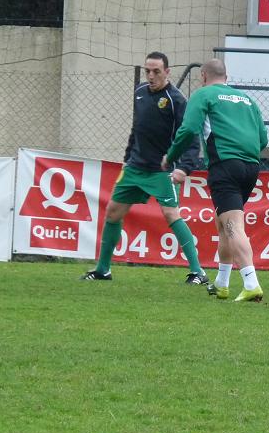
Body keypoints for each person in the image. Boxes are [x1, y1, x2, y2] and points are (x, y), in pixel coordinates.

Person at [82, 52, 208, 285]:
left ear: (167, 72)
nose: (151, 76)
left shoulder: (176, 100)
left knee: (171, 214)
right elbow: (137, 128)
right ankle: (103, 269)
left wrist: (184, 168)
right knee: (113, 212)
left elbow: (191, 137)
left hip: (162, 170)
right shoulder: (139, 92)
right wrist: (128, 157)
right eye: (148, 71)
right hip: (134, 168)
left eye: (156, 71)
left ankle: (198, 271)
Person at [162, 58, 268, 302]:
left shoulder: (204, 94)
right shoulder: (248, 100)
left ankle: (251, 283)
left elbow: (189, 129)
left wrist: (172, 156)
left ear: (203, 76)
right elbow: (263, 139)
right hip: (251, 167)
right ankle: (221, 283)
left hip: (224, 165)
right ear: (226, 78)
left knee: (233, 226)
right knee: (224, 224)